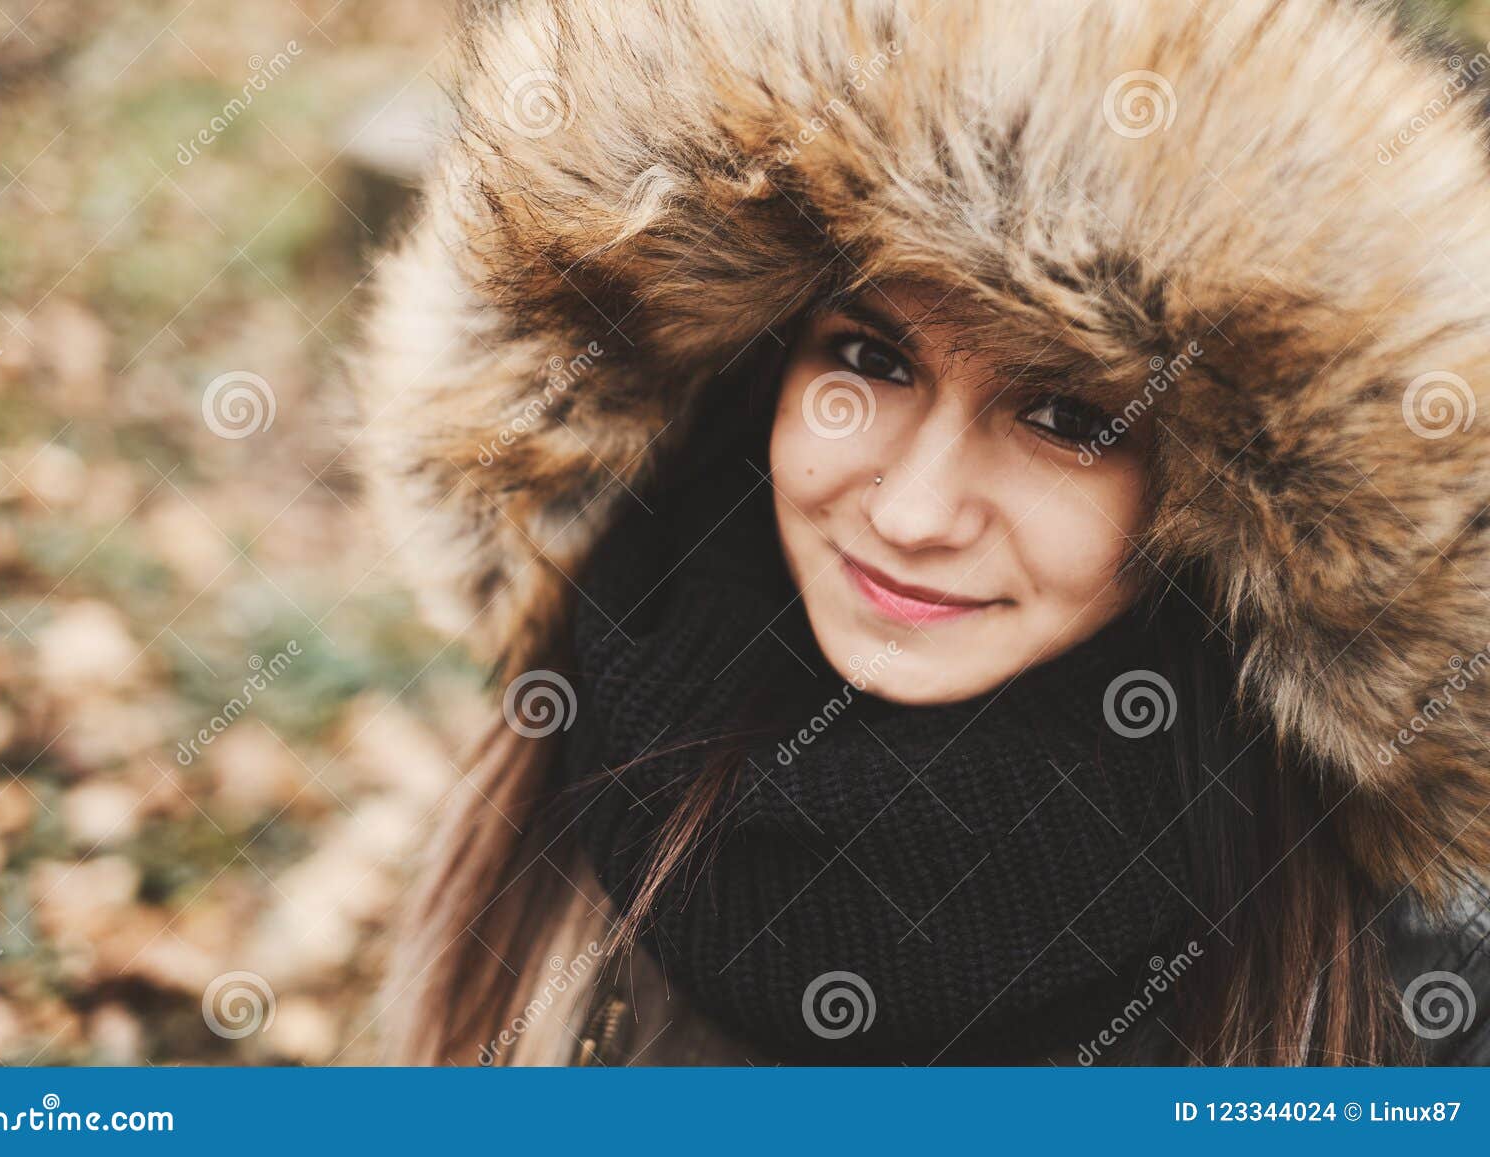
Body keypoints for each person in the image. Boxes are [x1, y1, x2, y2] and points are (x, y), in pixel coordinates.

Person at [350, 0, 1490, 1065]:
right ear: (755, 363)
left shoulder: (1400, 964)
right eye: (869, 359)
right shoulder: (618, 670)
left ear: (1251, 507)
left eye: (1066, 416)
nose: (910, 512)